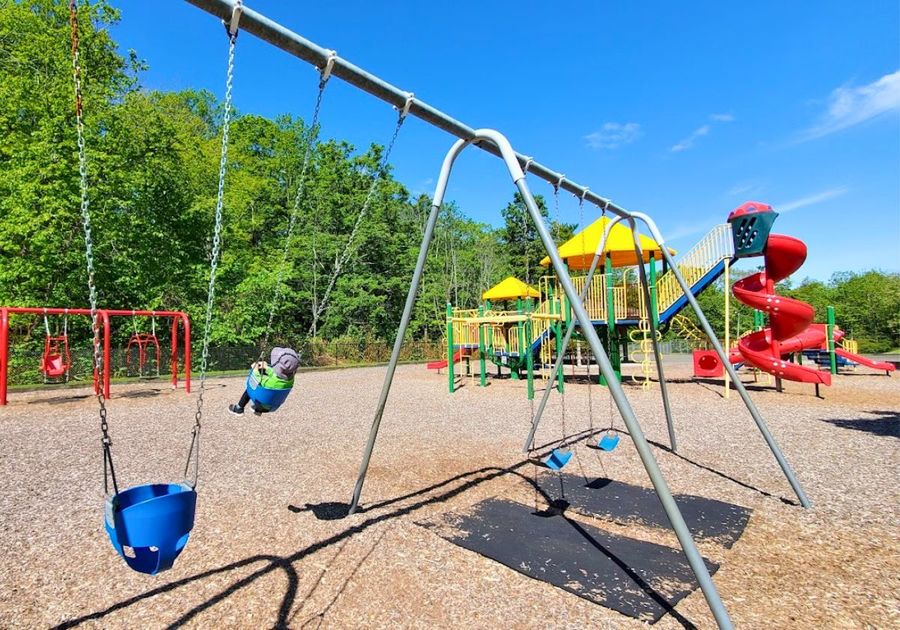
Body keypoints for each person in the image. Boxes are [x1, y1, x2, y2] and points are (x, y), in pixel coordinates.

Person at [228, 347, 300, 415]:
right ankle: (258, 410)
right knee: (266, 393)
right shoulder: (291, 380)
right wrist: (266, 367)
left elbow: (256, 378)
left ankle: (239, 408)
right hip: (271, 406)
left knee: (250, 387)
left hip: (261, 403)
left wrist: (255, 368)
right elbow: (274, 373)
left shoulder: (271, 382)